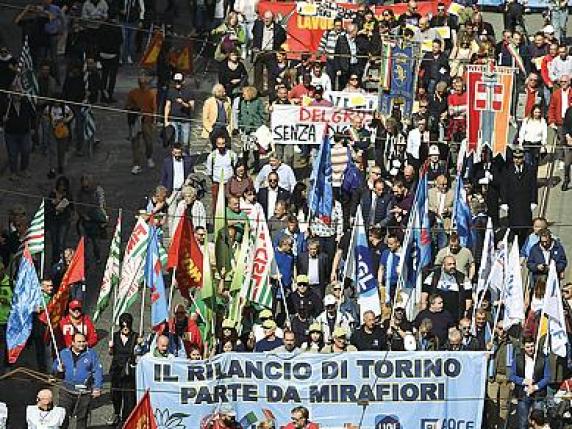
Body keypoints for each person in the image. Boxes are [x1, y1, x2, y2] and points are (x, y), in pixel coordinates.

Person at [53, 332, 103, 429]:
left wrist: (97, 387)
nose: (82, 344)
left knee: (82, 418)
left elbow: (97, 371)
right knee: (63, 417)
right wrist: (57, 368)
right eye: (79, 342)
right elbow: (54, 366)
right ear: (72, 343)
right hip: (66, 391)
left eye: (83, 341)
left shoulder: (91, 354)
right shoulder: (63, 353)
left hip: (84, 392)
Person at [509, 336, 551, 429]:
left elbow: (547, 377)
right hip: (523, 394)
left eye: (532, 346)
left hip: (538, 395)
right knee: (523, 422)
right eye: (528, 347)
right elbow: (511, 375)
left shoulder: (542, 358)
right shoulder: (518, 358)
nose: (530, 349)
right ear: (524, 347)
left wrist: (535, 387)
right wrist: (524, 381)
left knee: (538, 422)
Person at [107, 313, 137, 426]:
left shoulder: (135, 336)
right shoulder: (114, 335)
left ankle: (126, 420)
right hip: (116, 369)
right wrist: (110, 348)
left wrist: (139, 346)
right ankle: (116, 413)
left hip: (128, 370)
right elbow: (112, 353)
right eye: (123, 325)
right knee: (115, 393)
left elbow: (138, 354)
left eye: (127, 325)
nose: (125, 328)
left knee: (128, 397)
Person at [125, 75, 157, 174]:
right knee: (135, 143)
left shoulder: (151, 94)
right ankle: (136, 164)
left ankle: (149, 156)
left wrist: (154, 121)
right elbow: (127, 106)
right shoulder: (133, 93)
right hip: (135, 121)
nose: (143, 85)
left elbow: (154, 108)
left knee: (149, 142)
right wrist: (134, 109)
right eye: (141, 83)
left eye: (144, 83)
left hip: (147, 121)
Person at [46, 176, 74, 264]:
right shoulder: (52, 194)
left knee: (61, 243)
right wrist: (53, 203)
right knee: (54, 242)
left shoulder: (68, 195)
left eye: (64, 185)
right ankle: (54, 261)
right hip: (53, 221)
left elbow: (72, 208)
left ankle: (61, 261)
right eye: (61, 185)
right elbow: (47, 207)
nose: (62, 187)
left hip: (63, 221)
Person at [164, 73, 195, 150]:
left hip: (185, 120)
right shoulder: (170, 91)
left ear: (183, 81)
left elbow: (192, 107)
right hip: (173, 119)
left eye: (179, 81)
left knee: (185, 142)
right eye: (176, 81)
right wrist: (165, 120)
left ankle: (185, 158)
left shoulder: (189, 92)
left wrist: (183, 103)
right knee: (175, 141)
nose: (177, 83)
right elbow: (167, 106)